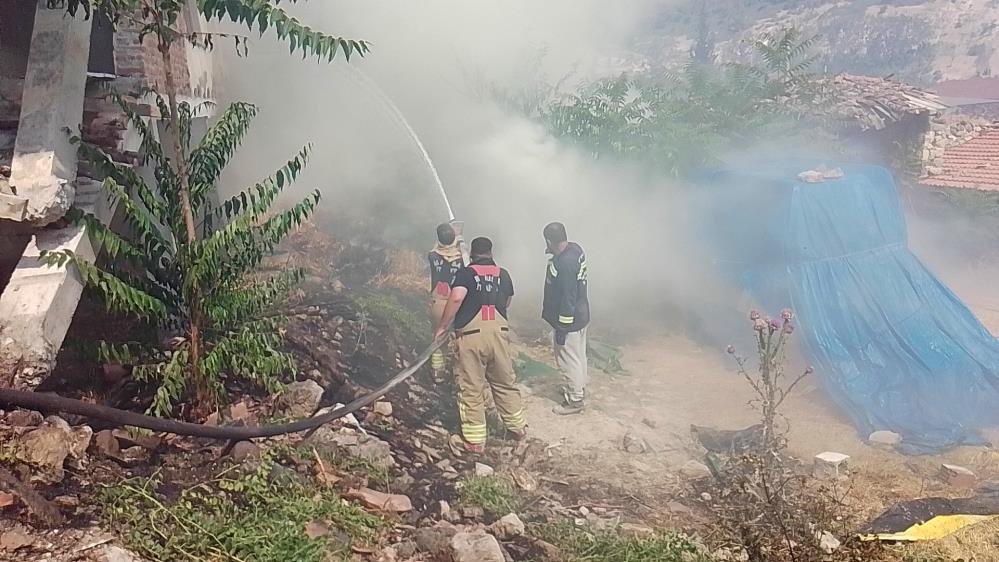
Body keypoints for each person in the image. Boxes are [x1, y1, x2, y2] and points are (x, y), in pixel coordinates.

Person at [433, 237, 527, 453]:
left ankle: (475, 441)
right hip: (500, 335)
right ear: (491, 253)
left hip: (471, 336)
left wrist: (443, 326)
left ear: (473, 255)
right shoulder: (503, 274)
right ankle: (518, 428)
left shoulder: (466, 274)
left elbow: (456, 298)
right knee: (505, 382)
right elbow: (507, 301)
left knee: (471, 387)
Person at [542, 222, 590, 415]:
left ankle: (575, 400)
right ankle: (579, 389)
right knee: (578, 356)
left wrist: (562, 326)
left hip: (570, 320)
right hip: (581, 315)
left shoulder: (566, 263)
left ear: (549, 241)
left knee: (568, 360)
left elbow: (568, 297)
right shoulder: (574, 250)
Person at [428, 223, 464, 382]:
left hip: (438, 302)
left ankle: (438, 371)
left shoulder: (432, 256)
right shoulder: (462, 258)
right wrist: (460, 239)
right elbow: (465, 254)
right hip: (458, 303)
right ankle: (462, 372)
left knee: (438, 337)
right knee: (462, 338)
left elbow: (437, 247)